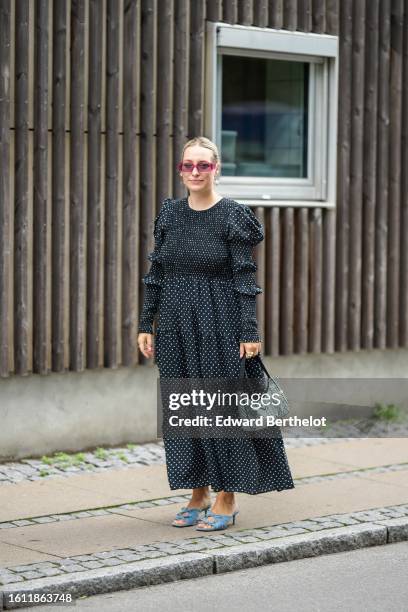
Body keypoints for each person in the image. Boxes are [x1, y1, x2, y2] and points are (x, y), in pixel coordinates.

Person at [137, 136, 294, 531]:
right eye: (187, 165)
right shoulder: (170, 214)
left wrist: (249, 331)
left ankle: (227, 495)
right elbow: (157, 273)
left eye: (202, 165)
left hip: (219, 321)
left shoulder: (233, 216)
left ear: (216, 168)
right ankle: (197, 491)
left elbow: (244, 278)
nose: (194, 172)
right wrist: (146, 322)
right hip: (174, 323)